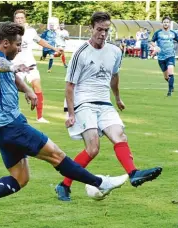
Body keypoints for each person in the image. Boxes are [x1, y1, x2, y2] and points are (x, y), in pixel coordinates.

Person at [0, 21, 129, 223]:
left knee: (20, 178)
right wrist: (13, 66)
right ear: (5, 43)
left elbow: (10, 76)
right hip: (11, 127)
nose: (20, 48)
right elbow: (0, 65)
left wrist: (29, 90)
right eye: (18, 44)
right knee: (57, 156)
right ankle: (100, 183)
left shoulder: (1, 59)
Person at [55, 12, 162, 201]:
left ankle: (134, 174)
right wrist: (70, 114)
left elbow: (114, 76)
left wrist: (118, 98)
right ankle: (64, 185)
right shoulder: (81, 53)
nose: (103, 34)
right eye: (99, 30)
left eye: (106, 30)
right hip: (83, 103)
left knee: (119, 135)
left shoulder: (115, 51)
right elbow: (69, 86)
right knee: (93, 148)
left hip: (104, 102)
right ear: (91, 29)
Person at [13, 10, 61, 123]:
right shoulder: (10, 31)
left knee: (37, 86)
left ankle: (40, 117)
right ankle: (13, 113)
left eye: (21, 18)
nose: (19, 19)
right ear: (14, 19)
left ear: (25, 19)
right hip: (16, 66)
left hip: (30, 64)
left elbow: (40, 41)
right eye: (17, 18)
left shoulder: (30, 31)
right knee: (12, 89)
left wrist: (54, 49)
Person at [151, 16, 178, 96]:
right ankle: (171, 84)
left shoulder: (173, 33)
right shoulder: (158, 33)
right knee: (166, 77)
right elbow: (152, 41)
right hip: (161, 57)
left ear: (169, 24)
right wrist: (155, 46)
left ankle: (169, 92)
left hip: (170, 56)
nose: (166, 23)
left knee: (171, 73)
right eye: (164, 22)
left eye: (167, 22)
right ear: (162, 23)